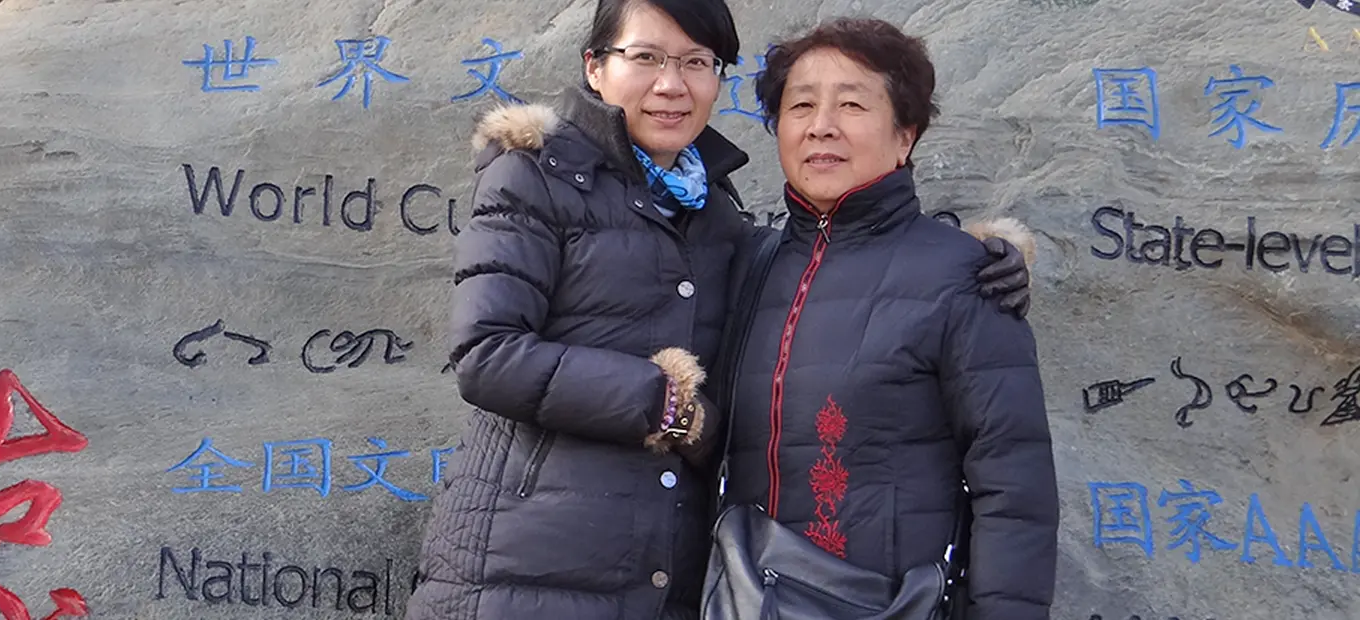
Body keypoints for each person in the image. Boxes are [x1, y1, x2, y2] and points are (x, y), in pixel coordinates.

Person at [403, 1, 1037, 619]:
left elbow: (1013, 484)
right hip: (528, 569)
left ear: (906, 136)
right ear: (595, 67)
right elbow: (487, 352)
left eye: (696, 62)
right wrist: (670, 406)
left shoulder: (722, 224)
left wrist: (979, 255)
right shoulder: (543, 177)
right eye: (645, 57)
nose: (670, 84)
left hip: (694, 583)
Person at [717, 17, 1058, 619]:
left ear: (905, 136)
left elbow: (1014, 486)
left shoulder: (963, 275)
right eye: (801, 105)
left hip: (888, 604)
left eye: (851, 104)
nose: (821, 125)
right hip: (742, 600)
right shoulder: (750, 264)